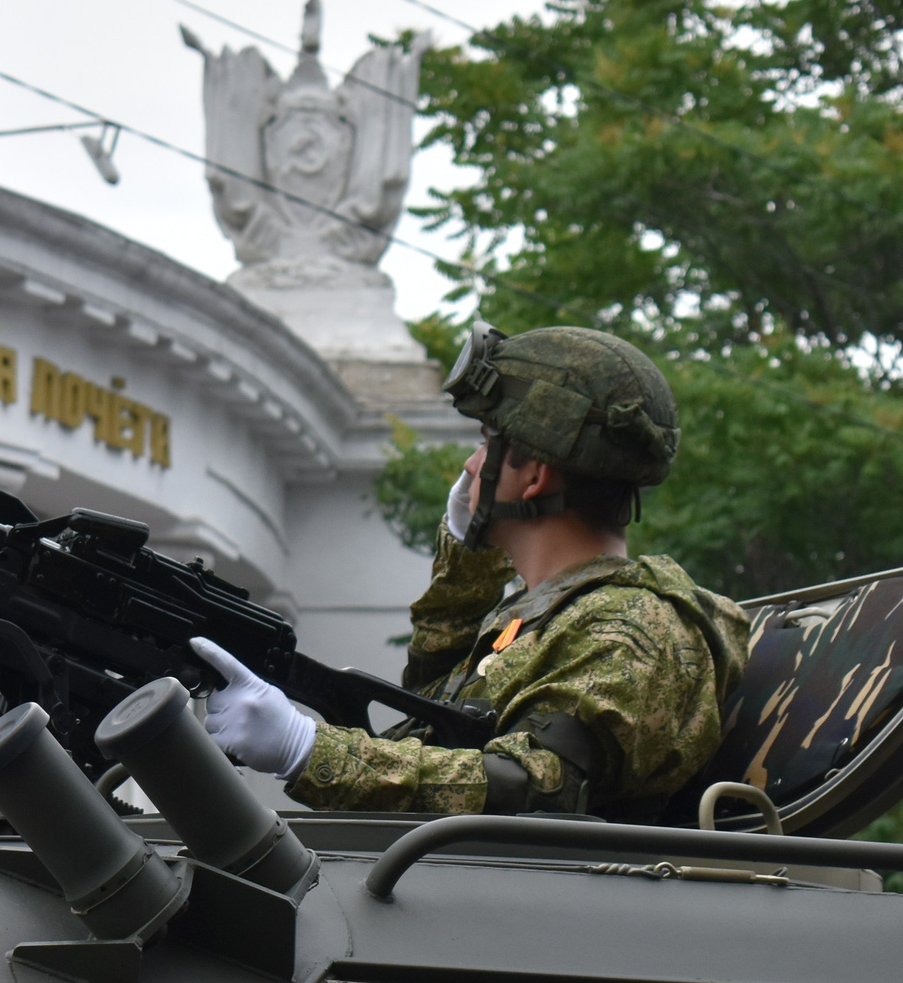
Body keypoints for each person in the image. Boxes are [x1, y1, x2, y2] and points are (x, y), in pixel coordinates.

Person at [194, 325, 750, 819]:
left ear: (534, 476)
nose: (470, 465)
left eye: (486, 444)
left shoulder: (629, 628)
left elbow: (531, 788)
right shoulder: (548, 612)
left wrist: (307, 750)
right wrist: (467, 552)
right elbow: (434, 698)